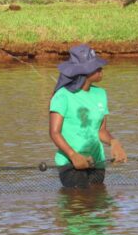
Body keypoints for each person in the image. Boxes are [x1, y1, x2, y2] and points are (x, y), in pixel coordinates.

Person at [49, 45, 127, 188]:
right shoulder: (62, 96)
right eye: (96, 67)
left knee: (98, 199)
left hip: (97, 163)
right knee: (80, 202)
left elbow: (101, 131)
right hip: (71, 163)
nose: (101, 69)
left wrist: (114, 142)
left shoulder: (101, 94)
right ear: (83, 72)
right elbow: (55, 133)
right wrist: (73, 155)